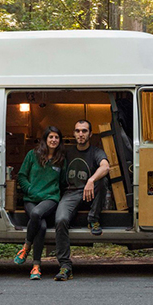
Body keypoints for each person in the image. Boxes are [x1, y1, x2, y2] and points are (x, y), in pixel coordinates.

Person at [53, 119, 109, 281]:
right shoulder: (67, 152)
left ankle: (93, 219)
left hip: (90, 193)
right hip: (71, 193)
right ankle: (65, 266)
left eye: (84, 131)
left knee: (102, 179)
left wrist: (91, 180)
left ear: (90, 134)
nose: (81, 134)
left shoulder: (96, 152)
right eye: (77, 131)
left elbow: (105, 166)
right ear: (74, 133)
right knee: (61, 219)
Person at [14, 126, 67, 280]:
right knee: (41, 225)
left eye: (57, 137)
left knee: (37, 214)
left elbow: (63, 182)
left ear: (60, 140)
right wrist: (30, 189)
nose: (54, 140)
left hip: (50, 199)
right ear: (45, 139)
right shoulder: (32, 155)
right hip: (31, 198)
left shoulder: (61, 159)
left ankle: (26, 247)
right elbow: (22, 176)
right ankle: (36, 266)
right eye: (51, 137)